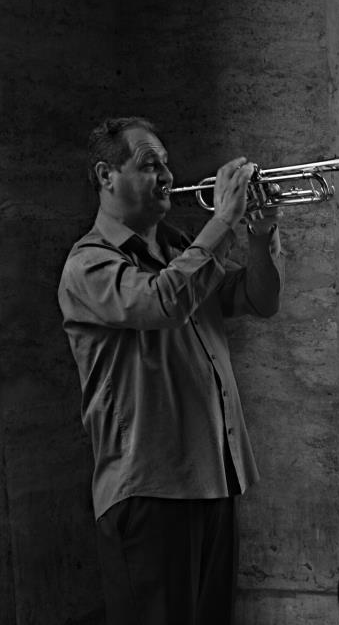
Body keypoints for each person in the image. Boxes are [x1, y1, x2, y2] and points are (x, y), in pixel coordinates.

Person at [58, 117, 284, 623]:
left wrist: (261, 233)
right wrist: (224, 220)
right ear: (105, 176)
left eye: (166, 163)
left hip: (213, 479)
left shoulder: (181, 250)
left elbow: (258, 298)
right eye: (148, 164)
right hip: (148, 490)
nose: (165, 175)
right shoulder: (89, 265)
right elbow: (162, 303)